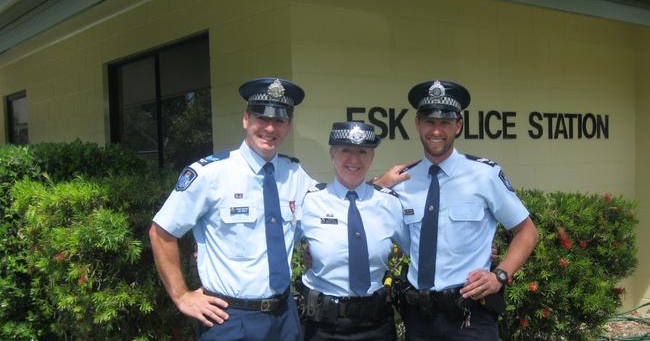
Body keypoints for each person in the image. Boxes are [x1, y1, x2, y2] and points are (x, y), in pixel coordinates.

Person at [148, 78, 314, 341]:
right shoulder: (210, 174)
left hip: (285, 316)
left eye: (280, 120)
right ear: (246, 119)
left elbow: (331, 208)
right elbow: (161, 232)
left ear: (289, 126)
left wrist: (380, 185)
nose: (270, 128)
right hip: (229, 319)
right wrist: (181, 296)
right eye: (262, 117)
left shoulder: (296, 174)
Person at [375, 80, 539, 340]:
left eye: (445, 123)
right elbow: (367, 220)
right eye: (429, 122)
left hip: (470, 315)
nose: (436, 130)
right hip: (419, 317)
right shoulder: (402, 182)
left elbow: (527, 232)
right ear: (418, 124)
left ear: (458, 125)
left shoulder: (484, 175)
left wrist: (500, 275)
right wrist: (379, 186)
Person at [296, 121, 409, 341]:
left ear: (372, 157)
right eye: (346, 150)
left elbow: (420, 250)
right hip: (322, 327)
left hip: (376, 325)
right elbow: (275, 246)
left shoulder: (389, 204)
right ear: (332, 154)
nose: (354, 159)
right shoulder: (309, 202)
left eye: (362, 151)